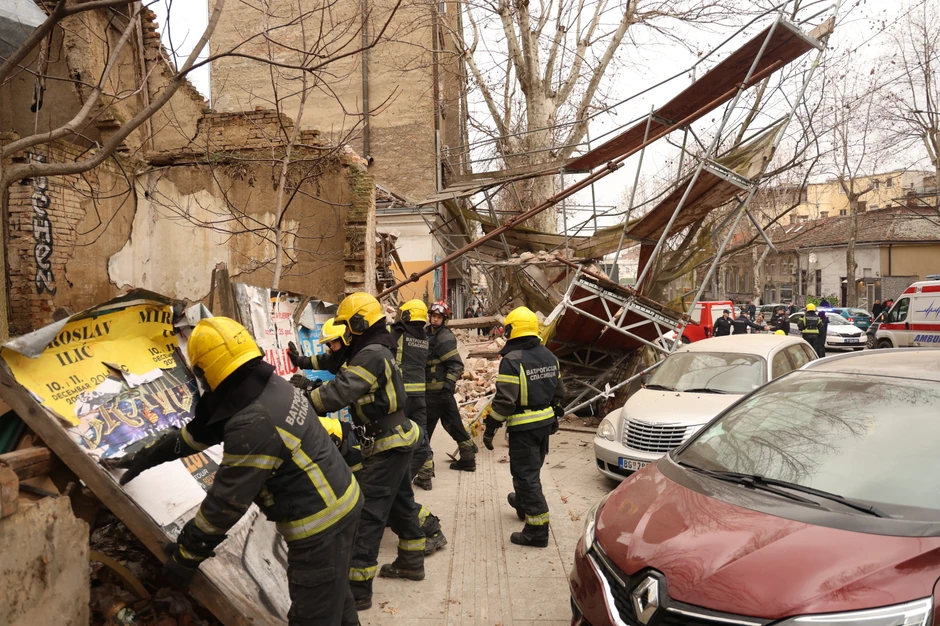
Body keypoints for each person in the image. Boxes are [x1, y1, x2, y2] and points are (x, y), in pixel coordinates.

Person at [110, 317, 363, 626]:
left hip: (321, 526)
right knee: (335, 598)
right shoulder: (264, 386)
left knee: (314, 616)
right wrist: (145, 457)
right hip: (341, 503)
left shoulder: (253, 422)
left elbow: (226, 502)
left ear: (206, 370)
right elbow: (196, 435)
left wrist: (188, 554)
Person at [296, 293, 428, 611]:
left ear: (358, 323)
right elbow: (341, 373)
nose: (344, 332)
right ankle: (412, 560)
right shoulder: (375, 348)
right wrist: (309, 379)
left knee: (367, 514)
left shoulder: (371, 353)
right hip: (396, 436)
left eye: (346, 325)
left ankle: (358, 588)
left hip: (388, 441)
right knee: (401, 504)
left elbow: (341, 392)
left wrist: (302, 400)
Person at [481, 306, 564, 548]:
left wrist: (491, 427)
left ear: (512, 330)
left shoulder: (512, 360)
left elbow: (505, 401)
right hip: (545, 424)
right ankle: (523, 503)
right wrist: (553, 416)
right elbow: (560, 393)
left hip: (524, 427)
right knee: (530, 470)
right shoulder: (550, 356)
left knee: (526, 476)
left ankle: (537, 530)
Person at [426, 301, 476, 472]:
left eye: (439, 317)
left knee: (424, 430)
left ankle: (424, 469)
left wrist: (448, 387)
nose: (435, 319)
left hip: (436, 392)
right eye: (433, 316)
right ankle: (468, 457)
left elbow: (456, 365)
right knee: (453, 424)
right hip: (439, 393)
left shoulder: (445, 337)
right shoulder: (427, 333)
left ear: (444, 319)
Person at [390, 301, 433, 487]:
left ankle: (399, 479)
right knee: (422, 436)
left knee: (397, 437)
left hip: (402, 394)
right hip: (419, 395)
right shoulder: (424, 338)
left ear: (407, 315)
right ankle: (425, 475)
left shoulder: (398, 333)